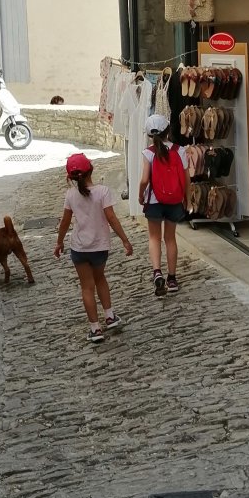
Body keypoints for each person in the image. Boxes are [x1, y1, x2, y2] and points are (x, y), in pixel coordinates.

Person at [54, 152, 133, 344]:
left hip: (79, 248)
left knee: (87, 287)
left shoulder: (70, 195)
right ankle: (110, 316)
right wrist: (124, 239)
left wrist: (59, 242)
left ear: (71, 177)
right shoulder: (103, 192)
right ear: (91, 169)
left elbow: (65, 222)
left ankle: (95, 328)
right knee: (100, 279)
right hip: (99, 247)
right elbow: (111, 218)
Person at [139, 113, 187, 296]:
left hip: (154, 201)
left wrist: (140, 195)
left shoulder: (149, 153)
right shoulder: (180, 151)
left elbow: (145, 180)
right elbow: (186, 179)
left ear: (150, 135)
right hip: (174, 200)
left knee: (154, 237)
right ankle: (172, 278)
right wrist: (187, 197)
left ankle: (157, 272)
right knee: (170, 238)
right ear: (168, 130)